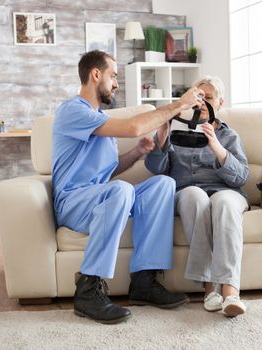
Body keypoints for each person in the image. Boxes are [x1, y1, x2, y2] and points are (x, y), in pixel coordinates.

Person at [52, 50, 204, 324]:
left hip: (98, 199)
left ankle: (144, 282)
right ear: (95, 75)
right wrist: (178, 105)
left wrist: (136, 154)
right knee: (121, 190)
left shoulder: (101, 120)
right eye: (113, 76)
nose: (116, 84)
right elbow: (134, 127)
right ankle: (88, 288)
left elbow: (107, 171)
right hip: (73, 203)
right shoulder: (73, 111)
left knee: (162, 185)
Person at [145, 76, 250, 317]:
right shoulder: (177, 129)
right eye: (198, 97)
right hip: (188, 191)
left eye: (209, 98)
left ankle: (230, 293)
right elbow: (156, 168)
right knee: (194, 196)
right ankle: (209, 288)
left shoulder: (229, 135)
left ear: (220, 103)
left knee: (223, 202)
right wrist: (163, 133)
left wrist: (218, 149)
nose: (202, 103)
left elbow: (241, 177)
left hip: (226, 191)